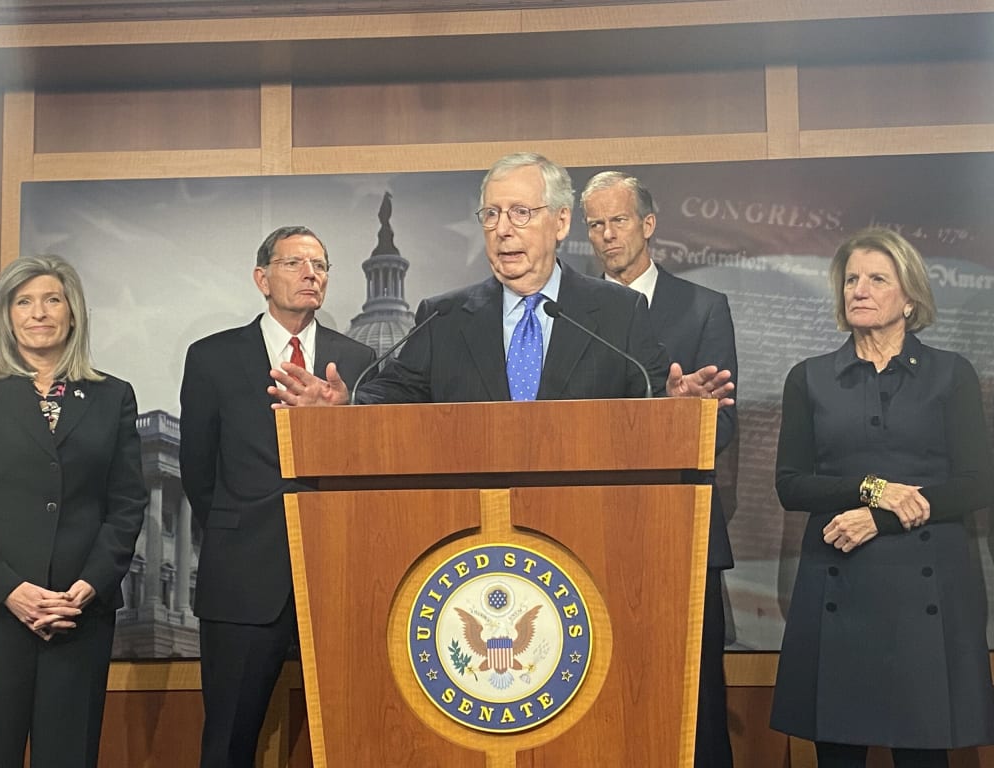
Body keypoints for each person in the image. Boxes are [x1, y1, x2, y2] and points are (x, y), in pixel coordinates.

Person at [771, 228, 994, 767]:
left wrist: (881, 518)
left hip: (927, 595)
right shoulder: (809, 379)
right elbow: (791, 484)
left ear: (909, 298)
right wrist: (872, 489)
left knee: (922, 756)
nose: (859, 290)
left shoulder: (951, 374)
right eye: (851, 280)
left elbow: (975, 482)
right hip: (838, 586)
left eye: (876, 279)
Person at [268, 152, 734, 407]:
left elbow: (650, 394)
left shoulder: (618, 312)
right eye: (491, 214)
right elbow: (394, 394)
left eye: (520, 213)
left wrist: (676, 404)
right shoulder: (443, 317)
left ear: (561, 222)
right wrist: (348, 402)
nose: (502, 229)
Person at [179, 225, 376, 768]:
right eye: (294, 264)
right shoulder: (213, 357)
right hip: (242, 579)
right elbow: (199, 471)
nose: (311, 274)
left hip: (339, 574)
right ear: (262, 278)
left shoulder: (358, 360)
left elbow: (369, 464)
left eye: (320, 265)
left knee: (353, 738)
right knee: (229, 743)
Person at [581, 170, 737, 768]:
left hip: (681, 528)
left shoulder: (703, 308)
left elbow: (723, 427)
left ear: (648, 225)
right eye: (596, 224)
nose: (607, 234)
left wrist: (681, 416)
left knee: (695, 700)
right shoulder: (569, 311)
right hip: (591, 527)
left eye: (618, 221)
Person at [0, 255, 148, 768]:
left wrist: (89, 585)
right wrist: (10, 590)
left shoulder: (113, 396)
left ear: (72, 312)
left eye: (52, 299)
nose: (39, 313)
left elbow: (126, 503)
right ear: (6, 316)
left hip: (77, 613)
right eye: (23, 302)